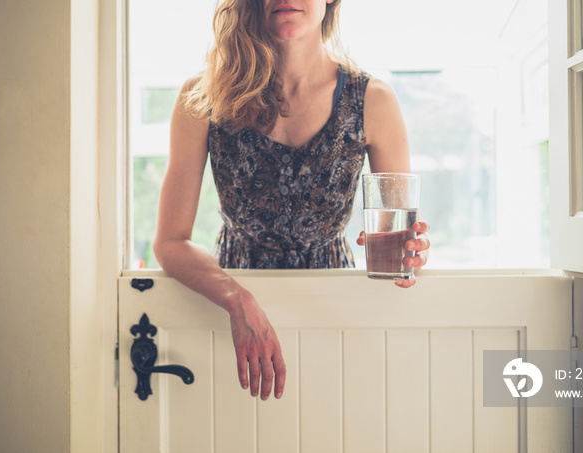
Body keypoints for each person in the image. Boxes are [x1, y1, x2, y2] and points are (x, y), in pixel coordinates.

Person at [153, 0, 431, 401]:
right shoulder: (203, 96)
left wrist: (413, 252)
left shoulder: (374, 100)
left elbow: (402, 236)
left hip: (335, 309)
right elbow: (169, 241)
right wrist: (237, 300)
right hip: (227, 311)